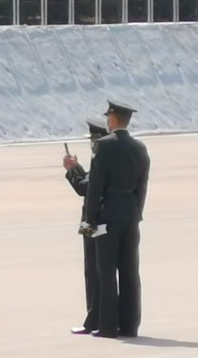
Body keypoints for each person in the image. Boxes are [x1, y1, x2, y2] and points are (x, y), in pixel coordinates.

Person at [84, 100, 150, 339]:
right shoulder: (140, 148)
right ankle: (130, 325)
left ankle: (108, 326)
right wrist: (136, 212)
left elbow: (95, 187)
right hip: (131, 215)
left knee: (107, 271)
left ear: (111, 119)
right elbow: (142, 186)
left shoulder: (103, 146)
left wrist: (89, 219)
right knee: (131, 272)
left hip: (108, 215)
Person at [63, 117, 108, 335]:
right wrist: (77, 168)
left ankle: (94, 320)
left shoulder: (102, 157)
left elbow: (86, 189)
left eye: (93, 139)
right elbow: (91, 180)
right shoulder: (105, 156)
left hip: (94, 221)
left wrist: (72, 171)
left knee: (93, 271)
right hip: (105, 220)